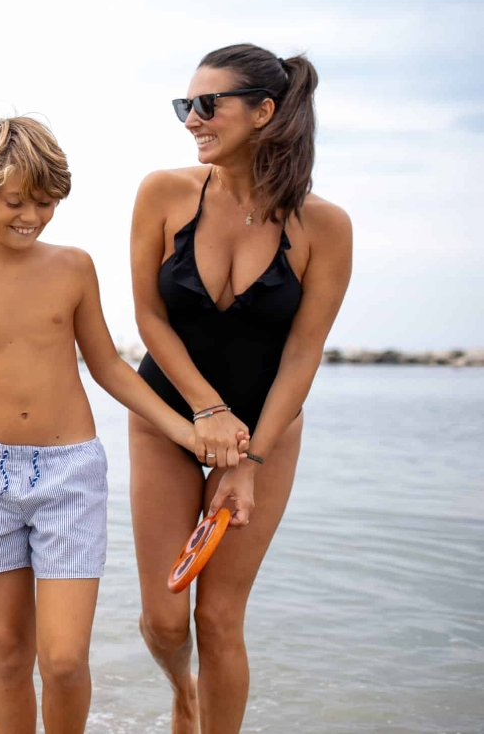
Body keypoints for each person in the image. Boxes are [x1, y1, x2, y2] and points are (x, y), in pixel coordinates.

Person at [0, 117, 206, 734]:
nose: (32, 215)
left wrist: (185, 428)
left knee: (63, 660)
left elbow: (107, 367)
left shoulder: (73, 267)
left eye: (46, 202)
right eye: (16, 201)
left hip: (70, 473)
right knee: (9, 653)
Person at [130, 44, 352, 733]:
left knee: (220, 618)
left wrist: (248, 462)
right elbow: (148, 317)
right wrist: (208, 410)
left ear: (263, 112)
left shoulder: (326, 226)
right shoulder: (162, 193)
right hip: (168, 416)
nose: (191, 120)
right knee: (166, 620)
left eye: (206, 105)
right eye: (184, 106)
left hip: (267, 431)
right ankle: (182, 694)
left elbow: (303, 354)